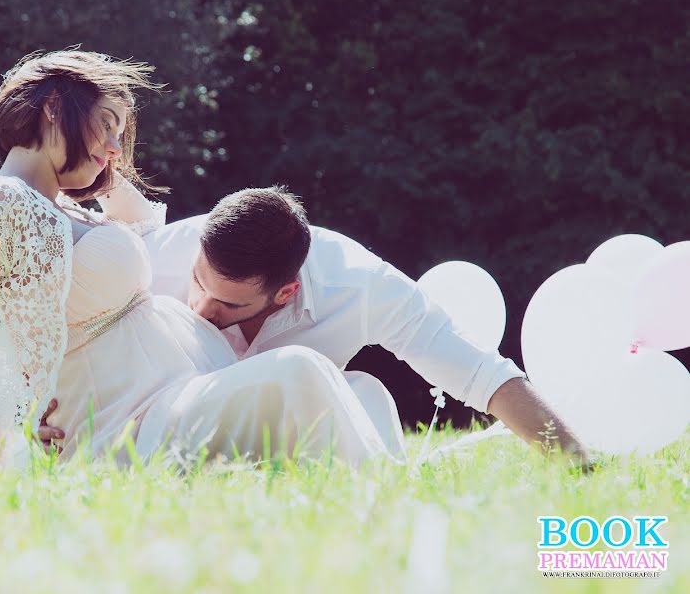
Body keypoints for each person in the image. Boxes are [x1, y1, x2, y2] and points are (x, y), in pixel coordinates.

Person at [0, 48, 389, 468]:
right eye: (107, 124)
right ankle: (389, 506)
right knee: (300, 371)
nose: (115, 146)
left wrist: (103, 172)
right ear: (51, 109)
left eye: (119, 133)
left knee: (361, 388)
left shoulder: (68, 210)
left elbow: (132, 216)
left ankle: (384, 492)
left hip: (182, 394)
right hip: (127, 427)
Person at [38, 186, 590, 464]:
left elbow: (482, 375)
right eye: (197, 285)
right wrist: (40, 408)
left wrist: (579, 466)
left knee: (365, 389)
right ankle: (386, 493)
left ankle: (376, 496)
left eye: (230, 305)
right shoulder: (169, 250)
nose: (203, 309)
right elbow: (59, 312)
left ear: (286, 291)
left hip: (279, 445)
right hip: (175, 427)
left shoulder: (361, 285)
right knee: (302, 370)